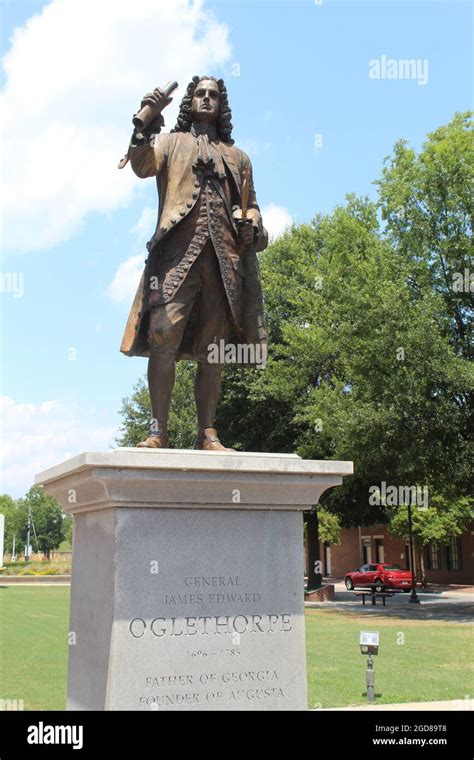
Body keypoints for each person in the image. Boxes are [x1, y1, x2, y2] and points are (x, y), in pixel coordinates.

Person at [120, 76, 268, 450]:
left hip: (223, 261)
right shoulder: (171, 143)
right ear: (190, 101)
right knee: (162, 335)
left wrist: (252, 223)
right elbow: (141, 165)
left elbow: (253, 209)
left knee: (214, 347)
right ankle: (158, 431)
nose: (206, 99)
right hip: (175, 257)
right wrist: (144, 120)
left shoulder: (239, 158)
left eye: (213, 95)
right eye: (200, 94)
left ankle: (208, 432)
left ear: (222, 104)